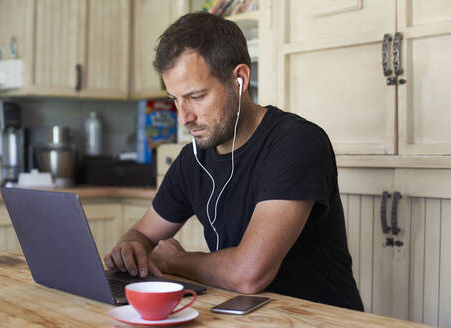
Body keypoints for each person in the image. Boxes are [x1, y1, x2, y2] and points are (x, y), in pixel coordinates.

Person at [104, 12, 364, 311]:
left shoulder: (297, 143)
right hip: (246, 315)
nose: (184, 117)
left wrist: (175, 261)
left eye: (197, 96)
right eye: (175, 99)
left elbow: (248, 275)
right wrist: (131, 248)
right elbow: (142, 234)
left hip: (319, 318)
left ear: (239, 79)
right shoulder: (193, 158)